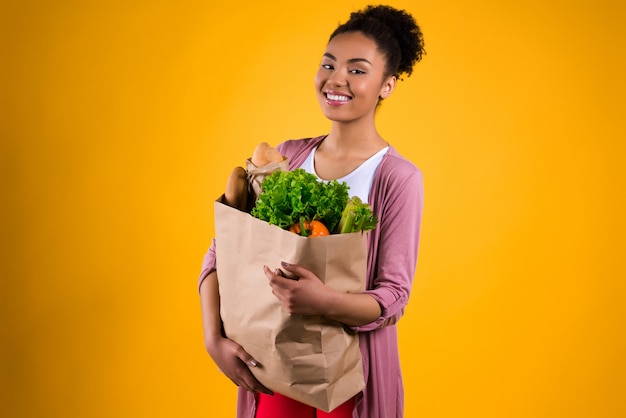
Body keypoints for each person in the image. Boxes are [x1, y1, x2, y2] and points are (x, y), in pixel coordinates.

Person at [199, 4, 425, 417]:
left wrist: (321, 300)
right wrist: (213, 339)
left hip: (350, 377)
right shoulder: (285, 157)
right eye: (328, 64)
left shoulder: (398, 178)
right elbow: (224, 251)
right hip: (273, 364)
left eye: (357, 70)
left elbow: (392, 297)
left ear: (387, 85)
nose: (336, 79)